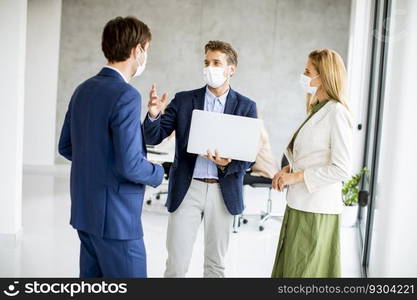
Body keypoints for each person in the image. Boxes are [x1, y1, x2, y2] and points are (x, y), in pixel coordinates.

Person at [58, 16, 164, 278]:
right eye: (146, 50)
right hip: (117, 221)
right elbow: (130, 164)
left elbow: (66, 147)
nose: (145, 56)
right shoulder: (126, 95)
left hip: (86, 213)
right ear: (137, 50)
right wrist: (159, 172)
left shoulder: (83, 89)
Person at [143, 40, 257, 277]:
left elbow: (248, 158)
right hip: (188, 188)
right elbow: (153, 137)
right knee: (176, 263)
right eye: (207, 62)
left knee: (215, 265)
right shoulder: (184, 100)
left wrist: (228, 164)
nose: (210, 67)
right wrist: (154, 114)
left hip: (222, 191)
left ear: (231, 69)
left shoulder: (246, 106)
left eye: (217, 63)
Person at [270, 49, 353, 277]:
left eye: (308, 71)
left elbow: (341, 168)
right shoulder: (317, 109)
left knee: (304, 272)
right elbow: (313, 155)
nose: (303, 75)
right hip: (300, 203)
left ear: (323, 76)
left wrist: (296, 177)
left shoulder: (336, 112)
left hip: (316, 209)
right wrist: (289, 169)